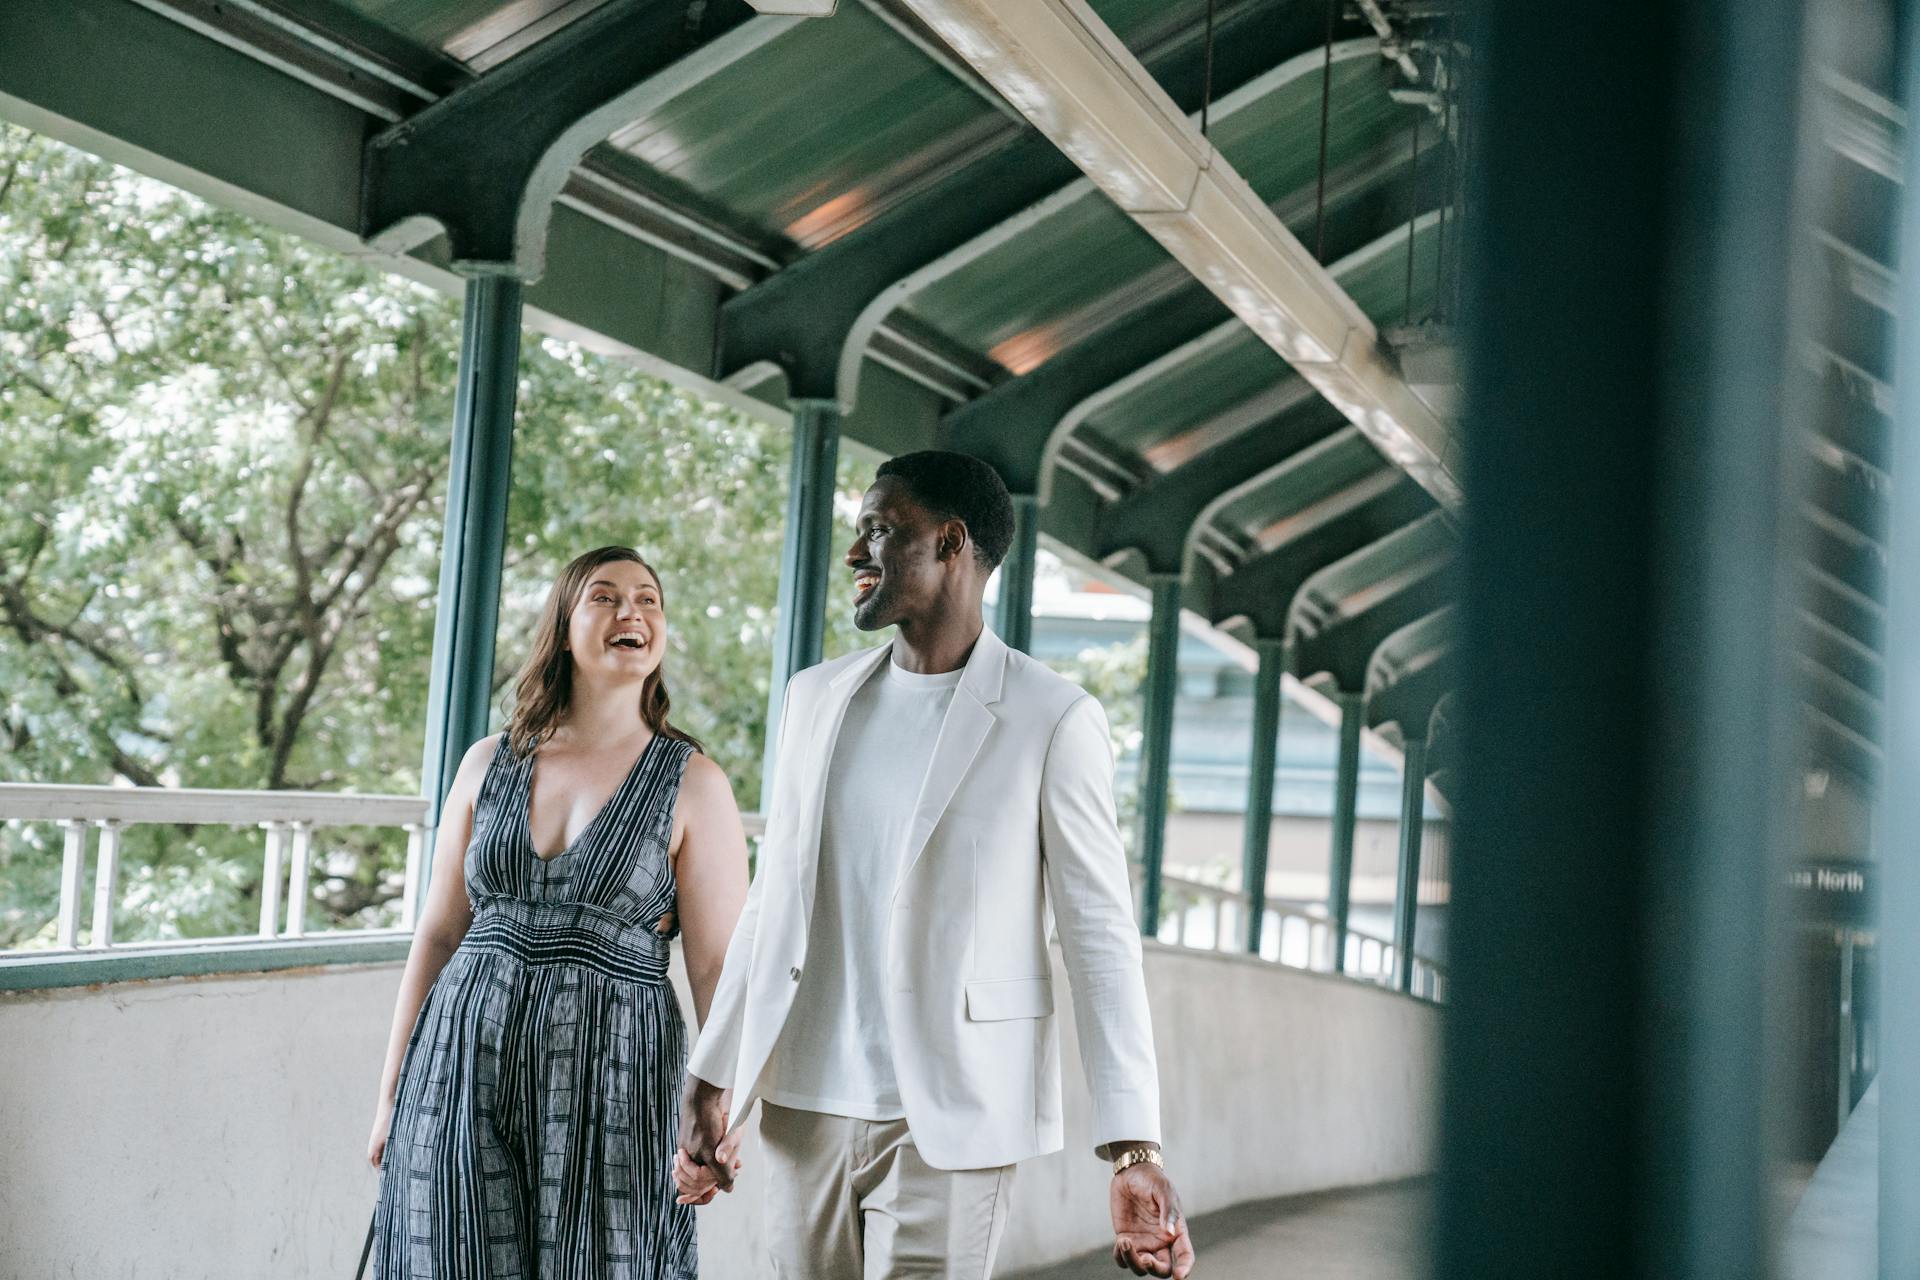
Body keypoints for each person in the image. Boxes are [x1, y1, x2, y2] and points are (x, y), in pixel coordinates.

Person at [675, 453, 1196, 1279]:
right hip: (804, 1104)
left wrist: (1133, 1145)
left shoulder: (1052, 718)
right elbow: (774, 900)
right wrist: (712, 1073)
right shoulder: (815, 700)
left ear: (951, 544)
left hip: (952, 1116)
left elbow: (1099, 938)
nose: (856, 554)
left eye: (880, 531)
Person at [365, 546, 749, 1279]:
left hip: (617, 1076)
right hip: (460, 1062)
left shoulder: (695, 784)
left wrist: (720, 1109)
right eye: (605, 598)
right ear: (564, 627)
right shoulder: (488, 761)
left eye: (649, 600)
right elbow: (441, 934)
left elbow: (717, 966)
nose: (632, 612)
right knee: (447, 1253)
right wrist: (391, 1095)